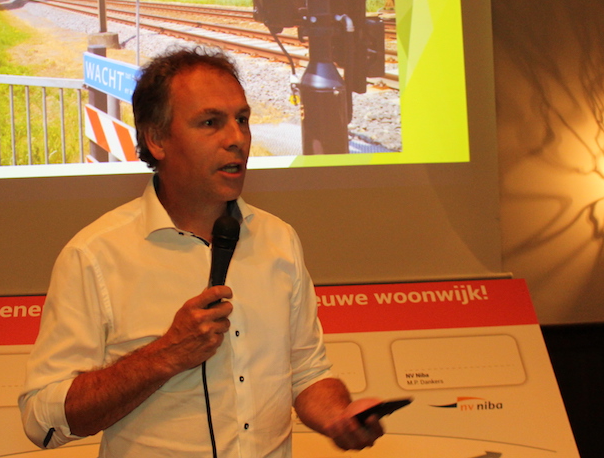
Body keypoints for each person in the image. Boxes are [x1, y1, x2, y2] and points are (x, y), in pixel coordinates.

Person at [19, 46, 384, 456]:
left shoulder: (278, 239)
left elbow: (307, 372)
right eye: (211, 123)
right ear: (157, 139)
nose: (237, 139)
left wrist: (339, 416)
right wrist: (163, 356)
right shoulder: (95, 255)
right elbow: (41, 421)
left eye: (242, 119)